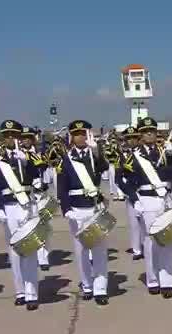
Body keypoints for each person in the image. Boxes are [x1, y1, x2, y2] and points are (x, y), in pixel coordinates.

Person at [120, 117, 172, 298]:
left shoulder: (164, 151)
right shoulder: (133, 156)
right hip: (147, 200)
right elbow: (123, 181)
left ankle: (167, 281)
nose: (149, 134)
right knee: (151, 241)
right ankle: (153, 280)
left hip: (164, 199)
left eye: (152, 131)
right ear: (141, 135)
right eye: (145, 132)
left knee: (167, 240)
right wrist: (135, 199)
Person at [0, 119, 44, 311]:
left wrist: (29, 161)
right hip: (10, 207)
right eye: (7, 135)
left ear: (20, 137)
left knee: (29, 249)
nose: (11, 138)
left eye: (14, 135)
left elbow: (42, 170)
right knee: (14, 251)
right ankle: (20, 291)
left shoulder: (30, 156)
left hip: (27, 205)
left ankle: (32, 293)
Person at [57, 120, 111, 306]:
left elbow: (104, 168)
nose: (80, 137)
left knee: (99, 250)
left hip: (95, 207)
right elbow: (62, 188)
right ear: (71, 137)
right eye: (77, 134)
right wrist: (66, 209)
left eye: (83, 133)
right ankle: (87, 285)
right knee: (81, 251)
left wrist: (98, 151)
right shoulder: (66, 159)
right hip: (77, 209)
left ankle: (100, 288)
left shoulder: (94, 155)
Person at [21, 126, 52, 271]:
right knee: (25, 226)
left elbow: (44, 166)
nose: (26, 140)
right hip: (24, 194)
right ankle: (28, 254)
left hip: (39, 193)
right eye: (23, 137)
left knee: (42, 225)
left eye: (29, 137)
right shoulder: (16, 155)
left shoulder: (40, 153)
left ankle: (43, 257)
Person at [116, 126, 144, 261]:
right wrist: (128, 191)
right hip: (131, 191)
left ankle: (147, 245)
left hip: (147, 192)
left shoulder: (145, 153)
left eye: (134, 138)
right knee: (134, 223)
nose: (131, 141)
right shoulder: (121, 156)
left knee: (147, 222)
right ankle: (137, 249)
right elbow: (118, 178)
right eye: (128, 138)